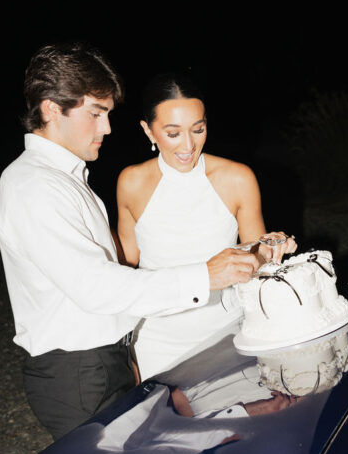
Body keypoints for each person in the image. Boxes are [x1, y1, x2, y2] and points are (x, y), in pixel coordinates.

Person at [0, 44, 258, 440]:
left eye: (108, 115)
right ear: (51, 109)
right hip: (79, 374)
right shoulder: (34, 186)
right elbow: (97, 287)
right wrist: (204, 276)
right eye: (95, 114)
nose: (107, 128)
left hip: (102, 363)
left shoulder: (64, 179)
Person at [116, 73, 295, 379]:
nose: (188, 145)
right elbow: (125, 269)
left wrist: (271, 248)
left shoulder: (237, 178)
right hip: (156, 344)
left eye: (198, 129)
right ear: (148, 131)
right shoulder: (131, 182)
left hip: (228, 337)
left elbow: (256, 261)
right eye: (173, 133)